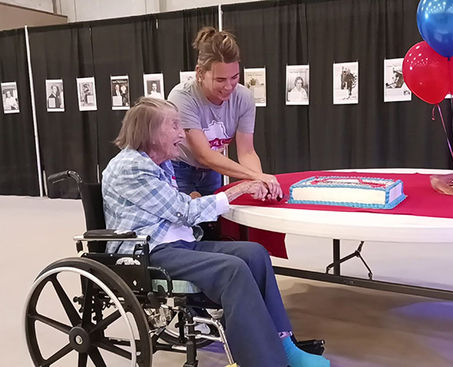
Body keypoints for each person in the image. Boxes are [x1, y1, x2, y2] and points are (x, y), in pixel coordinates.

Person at [101, 97, 330, 367]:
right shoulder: (131, 167)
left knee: (254, 254)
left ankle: (284, 345)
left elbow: (173, 208)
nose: (181, 133)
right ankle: (265, 361)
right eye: (174, 126)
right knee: (232, 270)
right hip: (148, 251)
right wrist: (240, 188)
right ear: (150, 133)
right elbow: (183, 211)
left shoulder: (159, 162)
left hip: (175, 242)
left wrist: (198, 199)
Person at [167, 27, 282, 200]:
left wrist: (260, 181)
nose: (229, 86)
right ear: (199, 73)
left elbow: (247, 152)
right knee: (187, 222)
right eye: (220, 80)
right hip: (180, 167)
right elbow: (203, 154)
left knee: (215, 221)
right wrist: (255, 176)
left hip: (213, 169)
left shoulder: (244, 98)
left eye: (234, 77)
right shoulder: (182, 97)